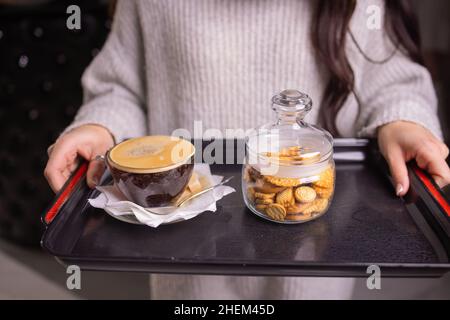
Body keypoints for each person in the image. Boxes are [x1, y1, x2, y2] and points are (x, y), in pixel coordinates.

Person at [44, 0, 450, 299]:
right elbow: (123, 87)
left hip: (314, 264)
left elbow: (391, 81)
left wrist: (402, 121)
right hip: (186, 268)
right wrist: (100, 126)